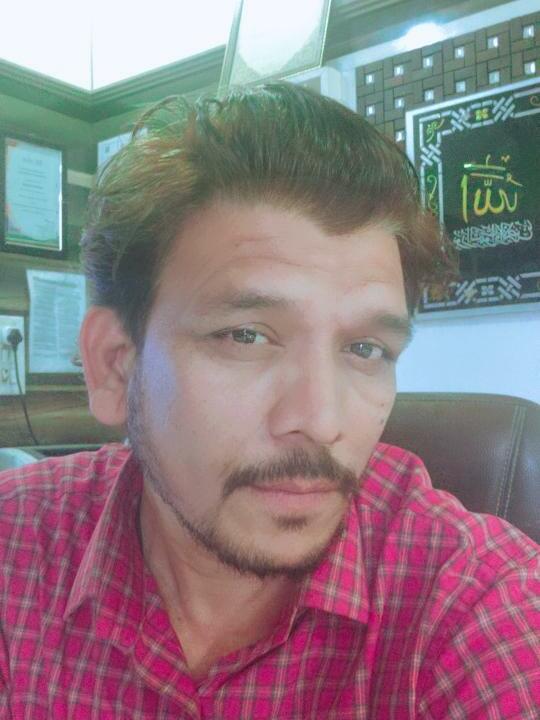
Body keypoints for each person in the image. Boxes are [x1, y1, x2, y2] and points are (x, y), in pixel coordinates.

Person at [0, 83, 538, 719]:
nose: (322, 421)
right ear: (117, 365)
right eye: (245, 336)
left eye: (365, 349)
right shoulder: (15, 544)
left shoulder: (475, 604)